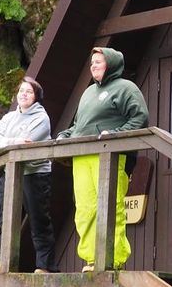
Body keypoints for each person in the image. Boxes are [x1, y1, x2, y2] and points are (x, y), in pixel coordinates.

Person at [57, 47, 148, 272]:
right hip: (81, 156)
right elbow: (79, 126)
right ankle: (92, 259)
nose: (93, 66)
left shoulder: (126, 88)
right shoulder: (87, 93)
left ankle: (112, 260)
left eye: (99, 61)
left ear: (112, 63)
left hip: (111, 156)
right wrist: (64, 135)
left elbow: (139, 117)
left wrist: (115, 134)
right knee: (85, 209)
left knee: (110, 207)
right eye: (92, 63)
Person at [0, 77, 57, 274]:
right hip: (11, 172)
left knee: (38, 219)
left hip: (35, 173)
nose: (23, 94)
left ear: (36, 97)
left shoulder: (41, 118)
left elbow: (27, 143)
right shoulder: (9, 117)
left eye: (28, 92)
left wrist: (10, 141)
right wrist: (14, 140)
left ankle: (45, 265)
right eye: (21, 91)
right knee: (5, 219)